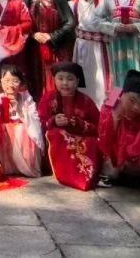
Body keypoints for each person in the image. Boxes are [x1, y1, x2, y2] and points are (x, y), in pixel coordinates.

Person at [38, 61, 100, 190]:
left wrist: (80, 124)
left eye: (70, 79)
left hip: (82, 137)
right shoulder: (48, 98)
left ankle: (85, 177)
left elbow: (98, 127)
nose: (65, 83)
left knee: (91, 143)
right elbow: (40, 122)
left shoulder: (86, 101)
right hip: (58, 138)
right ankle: (68, 176)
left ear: (77, 82)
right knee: (58, 134)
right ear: (54, 80)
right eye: (60, 78)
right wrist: (54, 121)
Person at [24, 0, 76, 100]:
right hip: (34, 48)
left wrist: (51, 36)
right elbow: (22, 22)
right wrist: (33, 35)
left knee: (54, 79)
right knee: (35, 79)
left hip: (55, 48)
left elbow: (70, 22)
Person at [0, 64, 43, 178]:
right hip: (4, 137)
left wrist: (19, 109)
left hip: (22, 138)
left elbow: (34, 121)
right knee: (2, 129)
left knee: (22, 129)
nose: (10, 85)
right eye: (7, 81)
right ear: (1, 83)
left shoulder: (27, 99)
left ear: (21, 83)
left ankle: (25, 166)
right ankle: (7, 166)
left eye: (15, 81)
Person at [70, 0, 111, 106]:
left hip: (101, 46)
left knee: (103, 78)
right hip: (81, 46)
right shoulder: (72, 5)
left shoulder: (104, 3)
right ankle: (85, 108)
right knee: (83, 78)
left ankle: (104, 108)